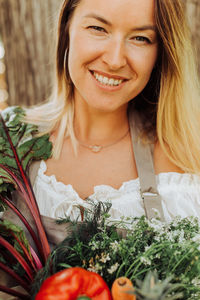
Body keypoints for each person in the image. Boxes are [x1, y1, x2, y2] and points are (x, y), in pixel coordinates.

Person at [21, 0, 200, 224]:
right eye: (98, 28)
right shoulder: (10, 139)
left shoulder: (185, 173)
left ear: (160, 53)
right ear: (67, 27)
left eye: (140, 38)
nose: (115, 60)